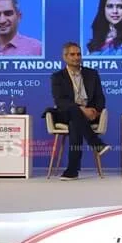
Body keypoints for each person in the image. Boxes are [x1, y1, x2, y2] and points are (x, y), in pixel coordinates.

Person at [51, 42, 110, 180]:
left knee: (75, 123)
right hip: (66, 113)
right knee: (74, 111)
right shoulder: (57, 77)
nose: (76, 57)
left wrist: (96, 111)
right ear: (65, 57)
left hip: (89, 114)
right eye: (72, 54)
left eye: (78, 54)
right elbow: (60, 101)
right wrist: (81, 110)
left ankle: (72, 170)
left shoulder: (92, 74)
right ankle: (96, 143)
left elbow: (100, 97)